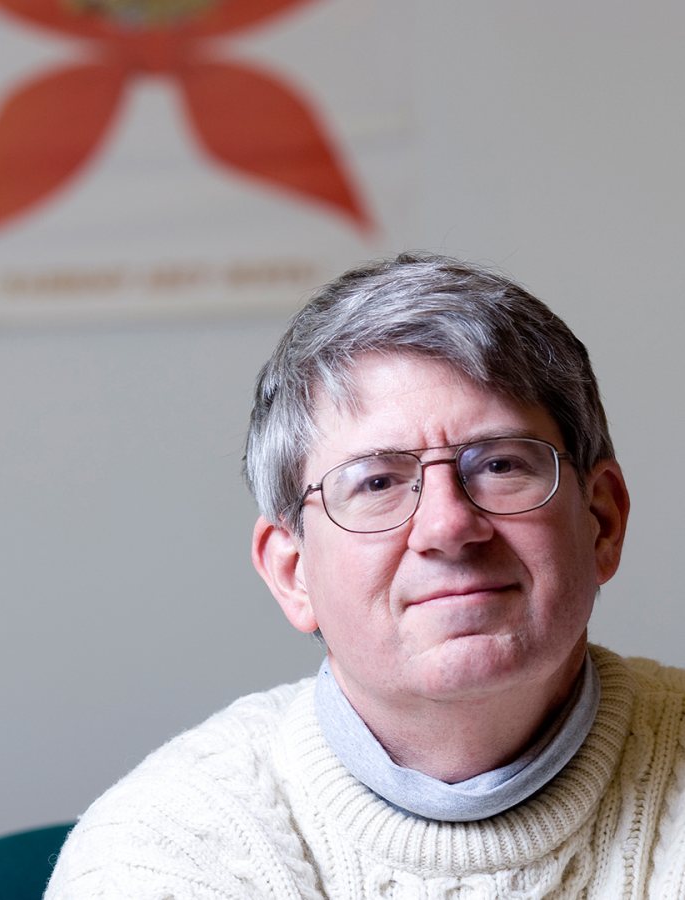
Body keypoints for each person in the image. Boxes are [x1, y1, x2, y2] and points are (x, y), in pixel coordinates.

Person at [45, 254, 685, 899]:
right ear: (293, 574)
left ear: (601, 521)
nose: (448, 526)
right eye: (377, 482)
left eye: (498, 464)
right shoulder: (163, 850)